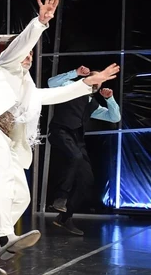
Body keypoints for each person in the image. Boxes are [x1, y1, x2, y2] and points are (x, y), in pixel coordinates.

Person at [0, 0, 120, 275]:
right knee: (5, 178)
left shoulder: (28, 87)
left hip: (5, 139)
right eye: (26, 52)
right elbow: (22, 44)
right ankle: (5, 237)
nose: (29, 56)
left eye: (32, 55)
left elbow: (53, 95)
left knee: (21, 195)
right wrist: (40, 23)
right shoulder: (5, 65)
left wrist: (87, 83)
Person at [46, 66, 121, 235]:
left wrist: (110, 99)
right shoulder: (70, 87)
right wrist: (75, 73)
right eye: (97, 78)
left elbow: (114, 117)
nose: (98, 83)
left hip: (77, 138)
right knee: (76, 157)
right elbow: (51, 83)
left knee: (87, 180)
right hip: (60, 131)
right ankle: (60, 197)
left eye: (101, 81)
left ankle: (64, 218)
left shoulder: (93, 104)